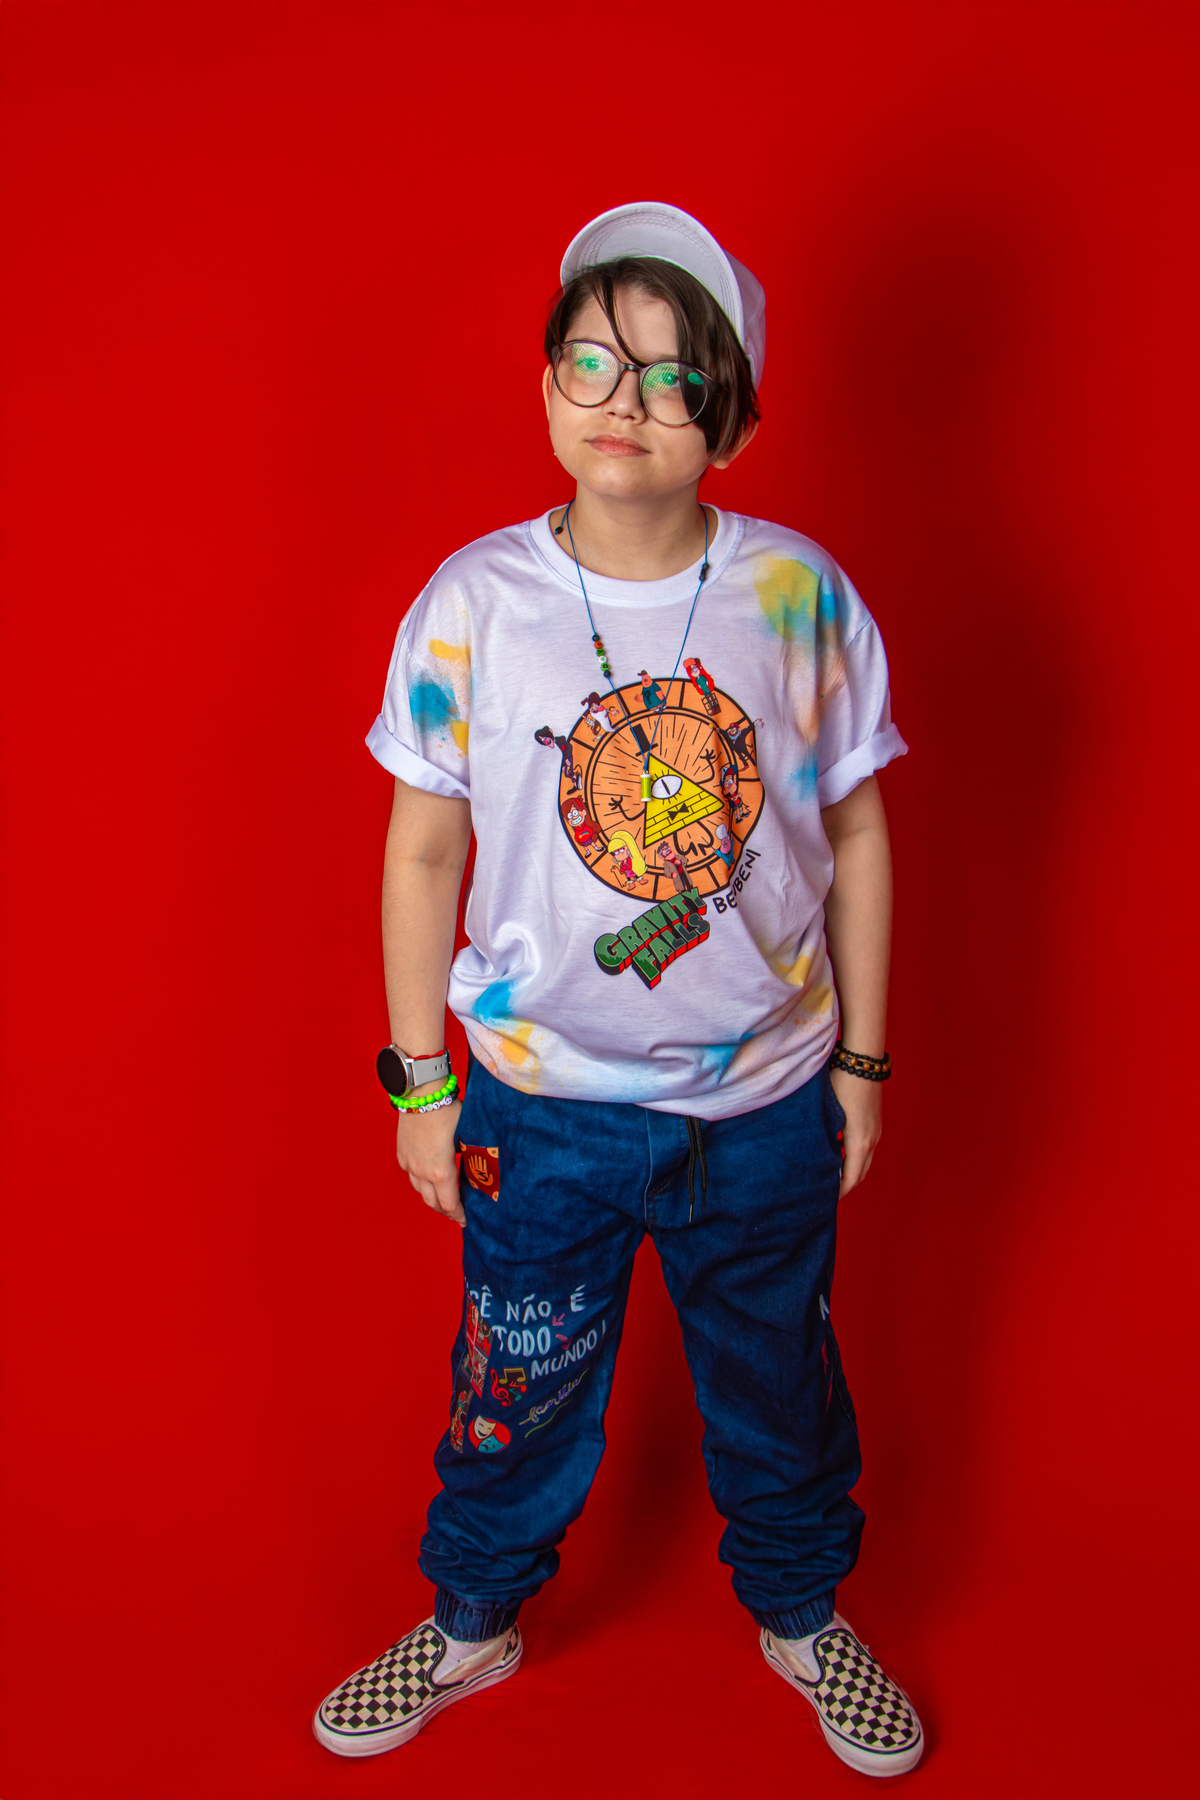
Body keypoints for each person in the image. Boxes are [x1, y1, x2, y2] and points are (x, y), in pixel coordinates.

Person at [314, 202, 921, 1779]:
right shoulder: (474, 605)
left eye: (672, 378)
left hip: (766, 1102)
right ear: (546, 383)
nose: (625, 403)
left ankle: (802, 1613)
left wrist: (861, 1066)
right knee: (510, 1388)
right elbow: (420, 855)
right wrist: (421, 1084)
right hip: (541, 1108)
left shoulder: (796, 595)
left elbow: (856, 834)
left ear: (733, 418)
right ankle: (472, 1620)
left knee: (781, 1382)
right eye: (592, 361)